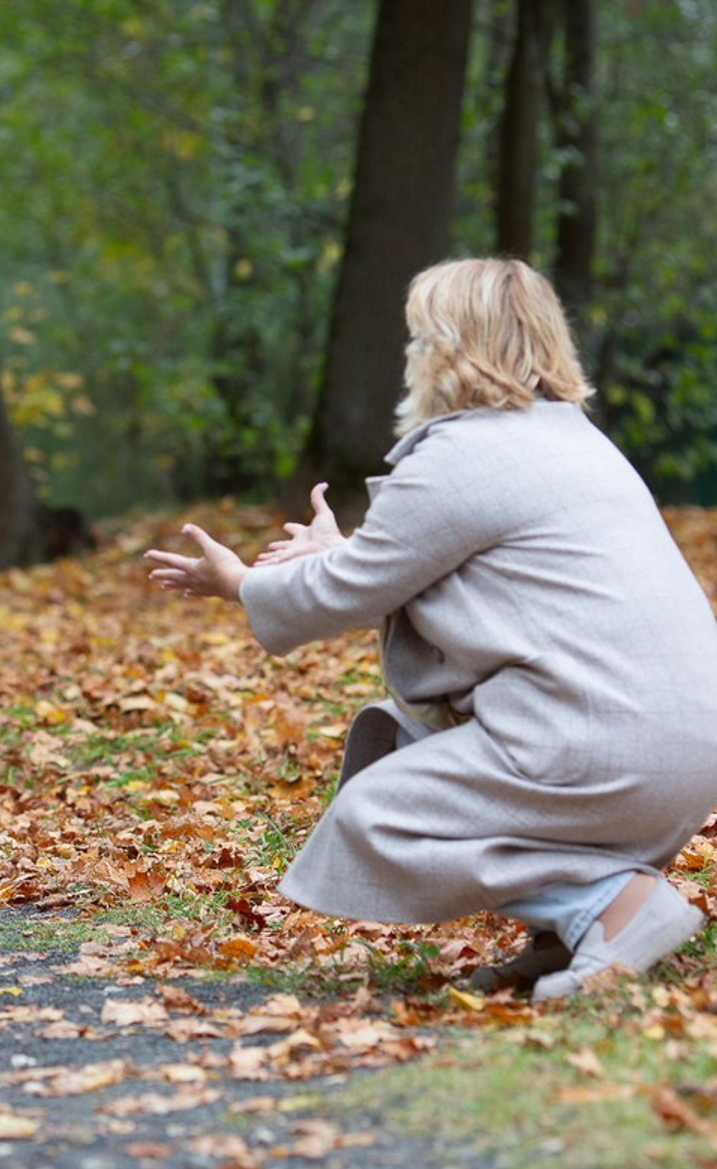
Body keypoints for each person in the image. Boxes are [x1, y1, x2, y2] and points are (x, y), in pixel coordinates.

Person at [145, 257, 716, 1002]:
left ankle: (607, 908)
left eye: (420, 339)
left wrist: (240, 583)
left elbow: (348, 592)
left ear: (447, 349)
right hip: (677, 749)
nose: (411, 355)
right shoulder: (573, 440)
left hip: (599, 748)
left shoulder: (462, 453)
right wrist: (342, 551)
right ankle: (570, 937)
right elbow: (430, 566)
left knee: (378, 813)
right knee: (413, 744)